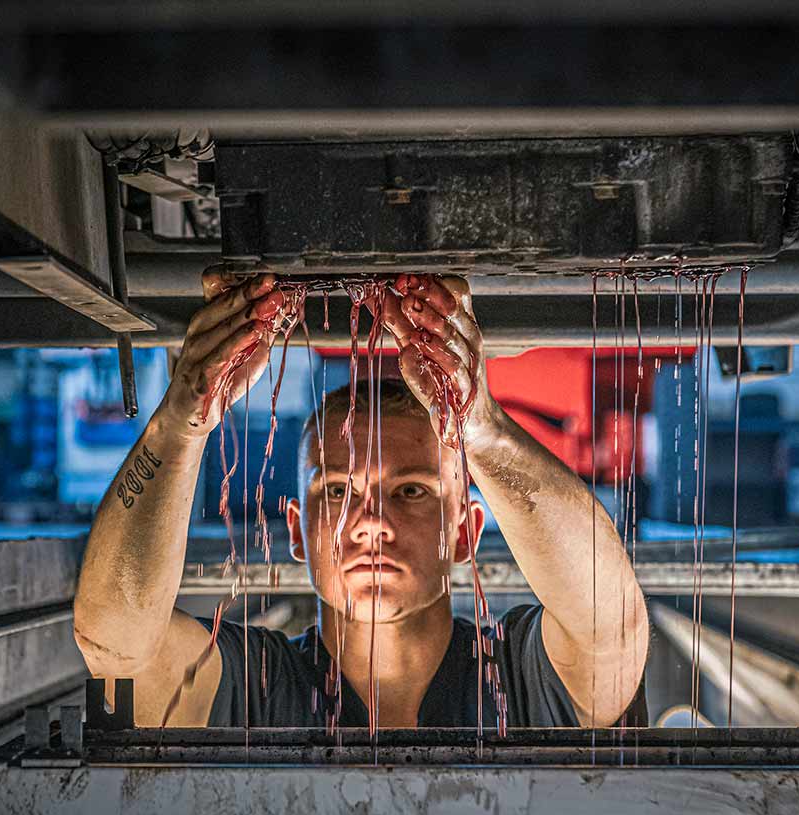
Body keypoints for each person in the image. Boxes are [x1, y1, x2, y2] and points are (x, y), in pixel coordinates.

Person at [72, 270, 648, 728]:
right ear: (296, 531)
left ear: (464, 532)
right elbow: (116, 647)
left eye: (413, 491)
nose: (372, 524)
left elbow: (610, 620)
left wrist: (482, 428)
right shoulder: (256, 686)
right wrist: (179, 425)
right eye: (340, 490)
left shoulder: (518, 677)